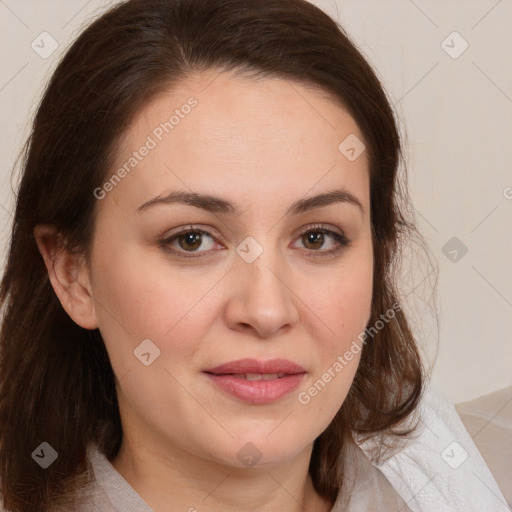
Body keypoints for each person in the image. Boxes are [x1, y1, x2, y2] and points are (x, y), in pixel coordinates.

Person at [0, 0, 508, 511]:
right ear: (73, 274)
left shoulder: (480, 478)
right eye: (192, 239)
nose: (267, 310)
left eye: (317, 238)